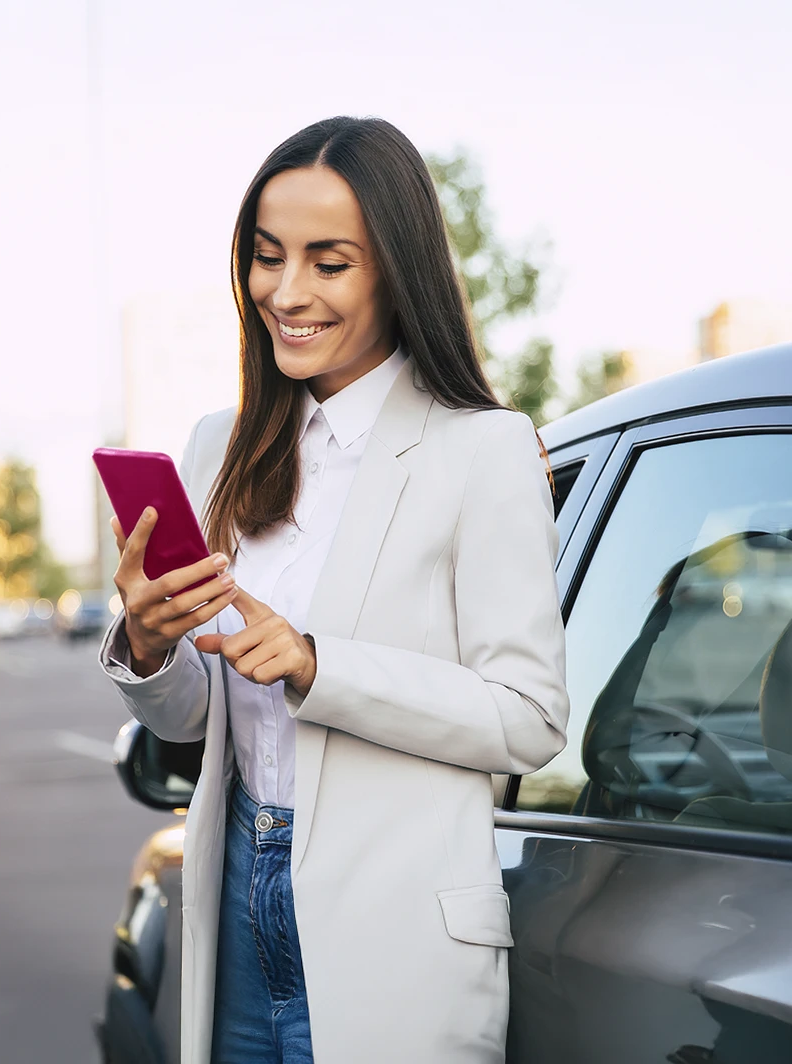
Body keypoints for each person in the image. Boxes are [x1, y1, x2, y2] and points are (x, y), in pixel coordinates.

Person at [99, 115, 568, 1064]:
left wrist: (319, 667)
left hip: (396, 925)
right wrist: (148, 647)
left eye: (329, 262)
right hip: (235, 894)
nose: (286, 291)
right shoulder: (219, 445)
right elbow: (195, 721)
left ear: (396, 270)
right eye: (268, 258)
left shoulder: (482, 449)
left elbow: (528, 718)